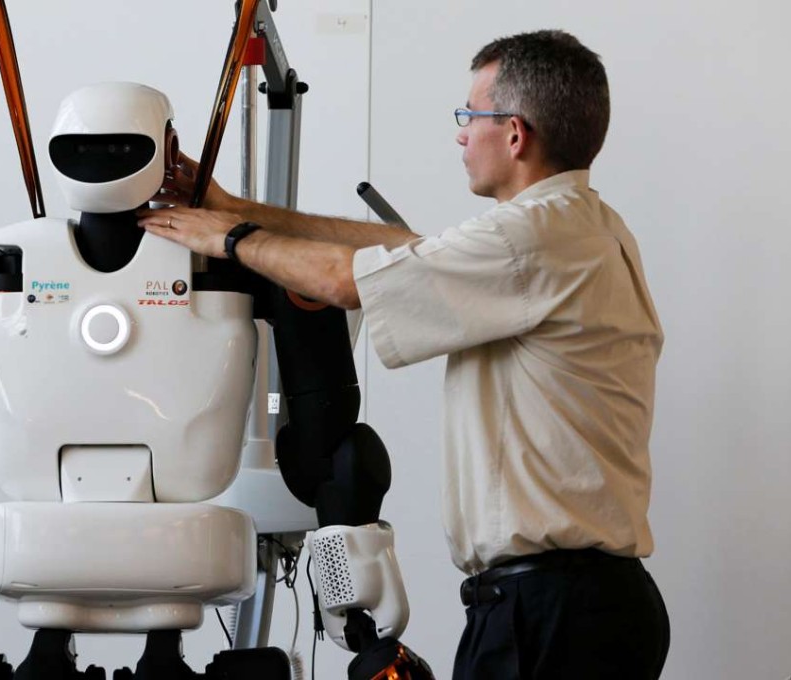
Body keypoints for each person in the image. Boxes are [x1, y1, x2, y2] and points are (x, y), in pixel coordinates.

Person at [138, 29, 669, 680]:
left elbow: (344, 279)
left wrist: (232, 237)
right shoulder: (579, 226)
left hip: (550, 610)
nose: (459, 135)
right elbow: (402, 248)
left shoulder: (532, 238)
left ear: (514, 134)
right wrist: (235, 206)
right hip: (575, 605)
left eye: (468, 116)